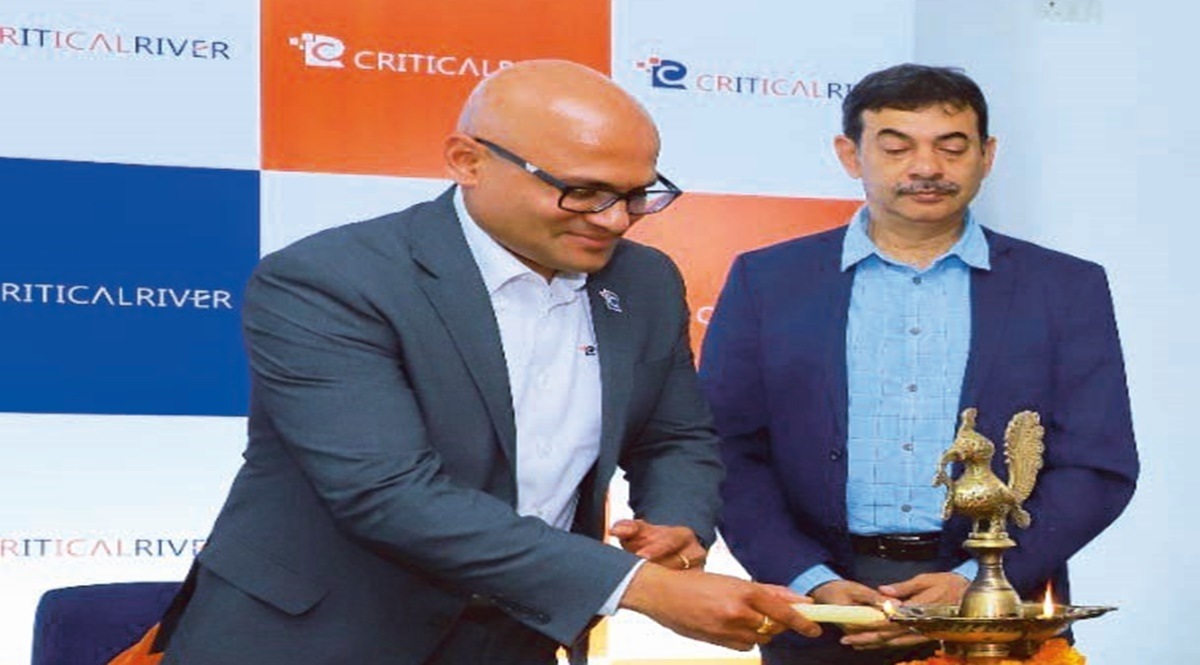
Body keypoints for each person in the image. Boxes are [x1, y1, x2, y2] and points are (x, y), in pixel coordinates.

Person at [152, 60, 819, 665]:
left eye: (637, 194)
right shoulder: (330, 279)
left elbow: (675, 437)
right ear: (468, 161)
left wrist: (675, 524)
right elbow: (388, 493)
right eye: (583, 191)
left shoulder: (644, 280)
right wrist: (639, 587)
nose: (616, 220)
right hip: (314, 637)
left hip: (516, 636)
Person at [698, 63, 1138, 665]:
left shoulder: (1064, 287)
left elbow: (1096, 463)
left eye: (952, 147)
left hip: (999, 612)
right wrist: (807, 578)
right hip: (821, 612)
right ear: (850, 155)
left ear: (986, 156)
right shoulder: (768, 280)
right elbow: (725, 448)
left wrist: (977, 582)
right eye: (897, 147)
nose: (927, 167)